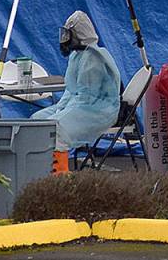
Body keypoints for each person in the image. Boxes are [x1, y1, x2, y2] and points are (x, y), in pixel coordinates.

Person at [31, 11, 121, 171]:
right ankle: (38, 171)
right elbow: (71, 91)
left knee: (56, 128)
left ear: (79, 34)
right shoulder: (77, 56)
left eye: (68, 34)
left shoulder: (93, 58)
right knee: (36, 120)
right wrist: (60, 109)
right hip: (80, 104)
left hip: (99, 110)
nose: (65, 39)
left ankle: (59, 177)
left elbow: (87, 98)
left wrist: (60, 115)